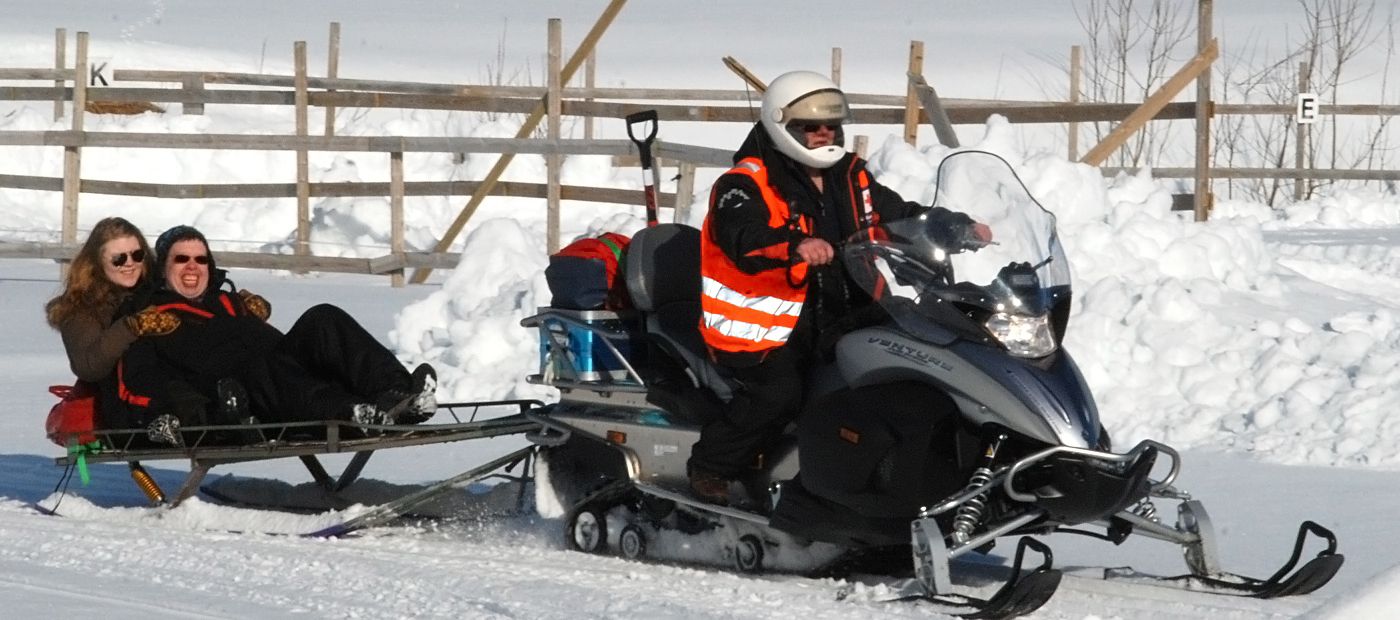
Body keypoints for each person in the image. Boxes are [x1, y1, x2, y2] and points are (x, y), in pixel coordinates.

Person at [687, 71, 993, 505]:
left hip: (844, 308)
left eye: (830, 125)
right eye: (810, 126)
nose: (823, 134)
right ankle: (711, 466)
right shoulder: (744, 183)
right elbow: (743, 234)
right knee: (780, 394)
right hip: (769, 328)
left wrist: (952, 227)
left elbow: (900, 215)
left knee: (913, 357)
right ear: (782, 126)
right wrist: (795, 245)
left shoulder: (850, 176)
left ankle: (899, 471)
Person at [113, 225, 437, 445]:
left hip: (283, 379)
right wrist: (168, 416)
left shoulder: (230, 303)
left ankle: (396, 394)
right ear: (162, 268)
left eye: (201, 260)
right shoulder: (149, 316)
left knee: (323, 317)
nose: (192, 267)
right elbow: (139, 381)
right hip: (241, 401)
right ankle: (350, 413)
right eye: (181, 259)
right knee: (263, 367)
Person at [44, 217, 169, 430]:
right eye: (119, 259)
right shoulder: (81, 307)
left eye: (137, 255)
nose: (130, 263)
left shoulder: (158, 291)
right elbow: (88, 367)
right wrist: (130, 327)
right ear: (97, 263)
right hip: (118, 415)